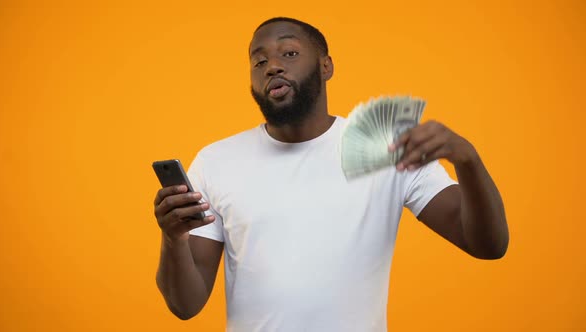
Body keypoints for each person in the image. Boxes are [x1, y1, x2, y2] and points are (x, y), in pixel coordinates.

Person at [153, 17, 509, 332]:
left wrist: (468, 161)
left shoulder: (384, 147)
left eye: (288, 53)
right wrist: (173, 240)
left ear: (326, 66)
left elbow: (487, 245)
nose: (272, 66)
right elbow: (186, 305)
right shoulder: (216, 161)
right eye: (259, 60)